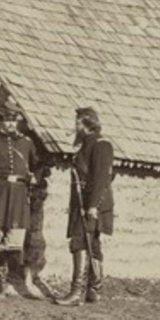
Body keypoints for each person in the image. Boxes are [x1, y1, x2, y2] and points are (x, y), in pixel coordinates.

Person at [0, 101, 39, 298]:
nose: (10, 124)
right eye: (6, 120)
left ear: (18, 122)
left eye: (13, 120)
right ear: (1, 121)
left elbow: (38, 165)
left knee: (14, 242)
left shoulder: (27, 143)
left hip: (19, 196)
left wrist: (35, 177)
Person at [55, 107, 114, 306]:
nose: (76, 126)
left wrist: (92, 206)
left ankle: (77, 292)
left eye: (78, 123)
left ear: (87, 124)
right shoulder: (85, 146)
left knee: (81, 242)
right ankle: (93, 291)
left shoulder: (101, 145)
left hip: (91, 204)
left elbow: (101, 178)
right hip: (81, 202)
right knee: (90, 243)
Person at [22, 161, 56, 299]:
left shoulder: (41, 184)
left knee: (35, 242)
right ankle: (25, 278)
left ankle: (32, 276)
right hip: (22, 199)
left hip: (35, 207)